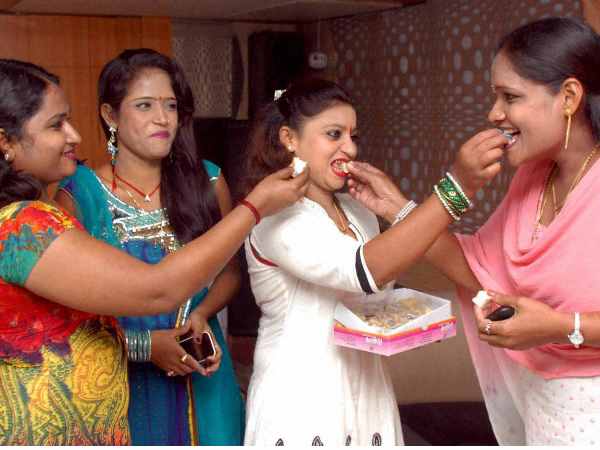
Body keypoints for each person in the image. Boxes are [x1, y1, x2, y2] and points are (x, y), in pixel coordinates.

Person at [0, 58, 308, 445]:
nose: (73, 135)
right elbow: (156, 289)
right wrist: (255, 206)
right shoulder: (23, 226)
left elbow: (72, 326)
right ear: (6, 142)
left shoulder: (30, 216)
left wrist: (199, 315)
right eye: (56, 124)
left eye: (171, 105)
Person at [346, 17, 600, 446]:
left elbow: (552, 320)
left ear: (569, 97)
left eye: (510, 97)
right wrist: (399, 208)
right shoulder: (534, 177)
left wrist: (561, 327)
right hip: (546, 411)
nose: (494, 114)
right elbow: (478, 270)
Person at [240, 79, 500, 446]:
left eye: (353, 136)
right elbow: (363, 271)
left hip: (367, 384)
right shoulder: (277, 217)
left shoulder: (357, 210)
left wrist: (396, 207)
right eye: (334, 134)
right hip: (303, 393)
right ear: (289, 138)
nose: (350, 148)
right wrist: (456, 187)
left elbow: (377, 295)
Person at [55, 48, 244, 445]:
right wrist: (144, 347)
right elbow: (67, 313)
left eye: (170, 106)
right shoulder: (81, 194)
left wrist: (201, 314)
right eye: (145, 106)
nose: (163, 118)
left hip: (201, 373)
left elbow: (229, 273)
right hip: (118, 380)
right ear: (110, 115)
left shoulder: (207, 182)